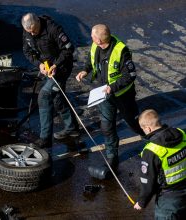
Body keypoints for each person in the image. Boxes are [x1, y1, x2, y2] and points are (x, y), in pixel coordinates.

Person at [76, 24, 144, 169]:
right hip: (103, 95)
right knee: (107, 126)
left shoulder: (121, 51)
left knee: (134, 123)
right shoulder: (96, 46)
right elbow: (91, 59)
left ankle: (151, 141)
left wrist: (112, 88)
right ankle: (112, 156)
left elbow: (130, 75)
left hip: (122, 96)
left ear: (100, 40)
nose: (91, 39)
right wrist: (85, 70)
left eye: (93, 37)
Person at [21, 13, 79, 148]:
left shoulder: (53, 29)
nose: (33, 34)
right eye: (29, 32)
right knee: (57, 98)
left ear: (38, 23)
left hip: (62, 68)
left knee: (44, 96)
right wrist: (39, 64)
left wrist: (56, 65)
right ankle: (72, 128)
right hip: (46, 68)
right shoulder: (27, 31)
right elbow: (27, 51)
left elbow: (69, 49)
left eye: (34, 31)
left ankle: (45, 138)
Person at [134, 109, 186, 219]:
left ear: (148, 128)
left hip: (169, 199)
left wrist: (141, 202)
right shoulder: (181, 134)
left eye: (143, 129)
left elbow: (148, 181)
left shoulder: (151, 151)